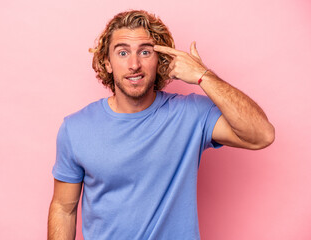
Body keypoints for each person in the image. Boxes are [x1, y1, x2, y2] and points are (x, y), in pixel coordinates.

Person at [47, 10, 275, 240]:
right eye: (123, 52)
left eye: (145, 52)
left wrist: (202, 75)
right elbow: (64, 209)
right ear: (107, 62)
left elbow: (261, 135)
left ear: (159, 61)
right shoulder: (76, 128)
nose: (134, 64)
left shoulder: (192, 114)